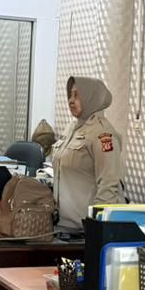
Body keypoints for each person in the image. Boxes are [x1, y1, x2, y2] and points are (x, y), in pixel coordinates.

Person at [53, 76, 125, 230]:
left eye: (77, 96)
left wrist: (95, 228)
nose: (71, 101)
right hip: (64, 224)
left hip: (83, 228)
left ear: (91, 97)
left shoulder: (103, 134)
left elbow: (108, 186)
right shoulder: (71, 128)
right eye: (70, 95)